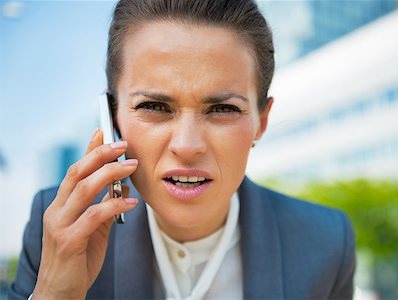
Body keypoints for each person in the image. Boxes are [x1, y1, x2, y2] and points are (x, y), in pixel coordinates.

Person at [9, 0, 356, 299]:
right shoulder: (55, 228)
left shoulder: (326, 243)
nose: (187, 146)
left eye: (223, 109)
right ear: (113, 117)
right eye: (155, 107)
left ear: (261, 122)